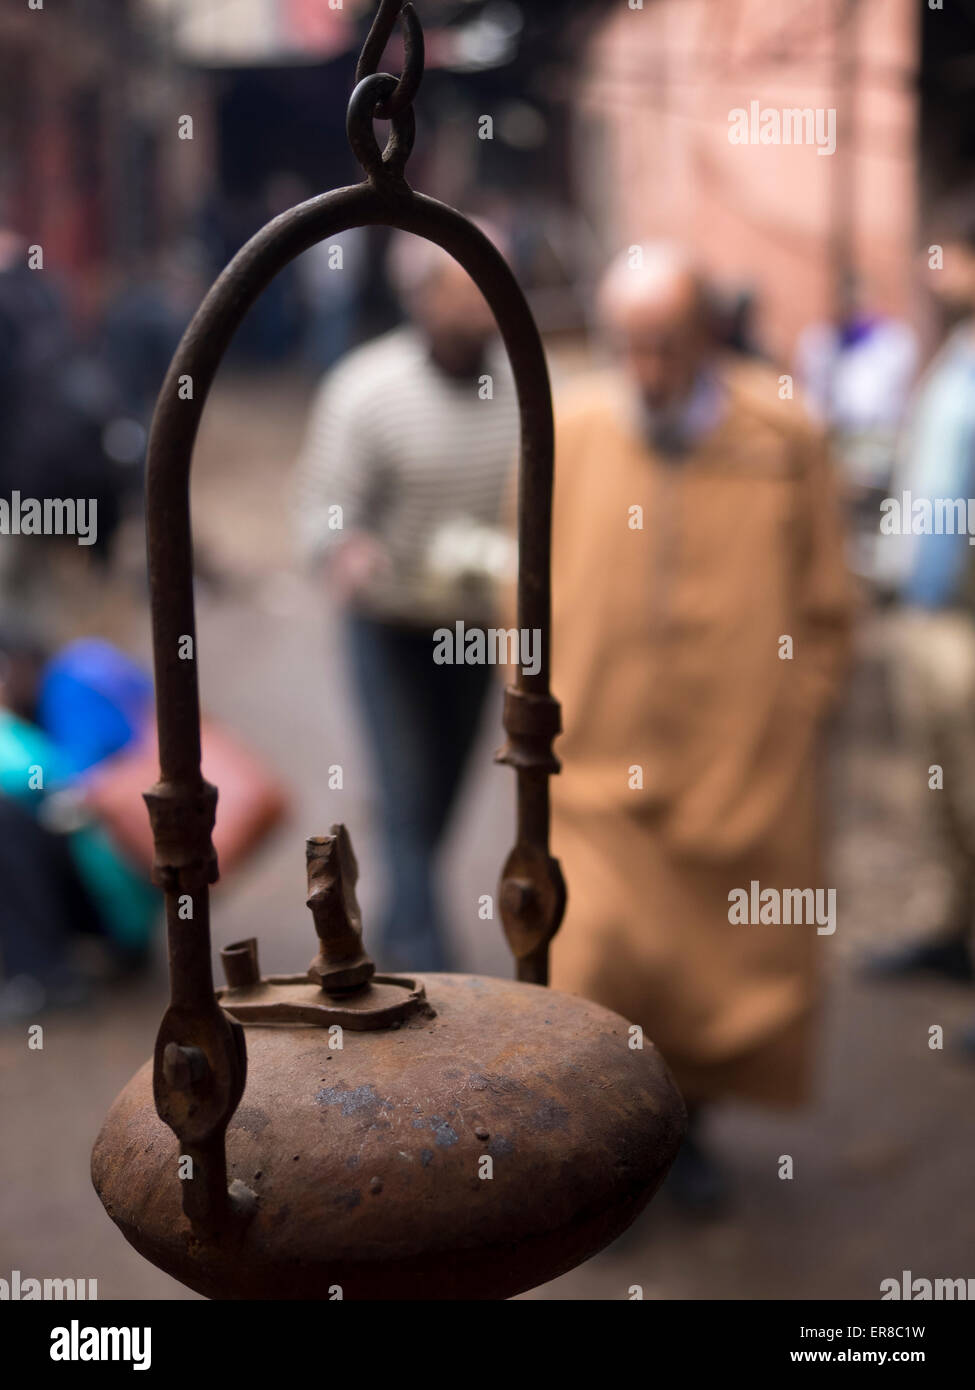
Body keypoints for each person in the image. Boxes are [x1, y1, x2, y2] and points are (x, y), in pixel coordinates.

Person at [545, 243, 854, 1209]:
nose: (648, 370)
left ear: (708, 337)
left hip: (741, 767)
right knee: (589, 961)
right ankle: (609, 1155)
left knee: (723, 976)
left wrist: (799, 707)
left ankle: (688, 1137)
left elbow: (829, 601)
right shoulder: (568, 428)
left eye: (667, 345)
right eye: (628, 345)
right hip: (591, 769)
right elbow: (528, 591)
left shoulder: (783, 434)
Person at [294, 229, 518, 971]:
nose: (479, 303)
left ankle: (392, 924)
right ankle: (428, 969)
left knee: (439, 797)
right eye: (460, 288)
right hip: (389, 624)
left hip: (477, 624)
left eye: (488, 283)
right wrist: (343, 548)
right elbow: (324, 508)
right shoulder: (366, 391)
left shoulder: (522, 388)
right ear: (419, 297)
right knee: (403, 783)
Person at [867, 214, 975, 994]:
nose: (937, 272)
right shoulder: (953, 353)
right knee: (937, 787)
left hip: (965, 618)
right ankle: (948, 929)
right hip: (925, 610)